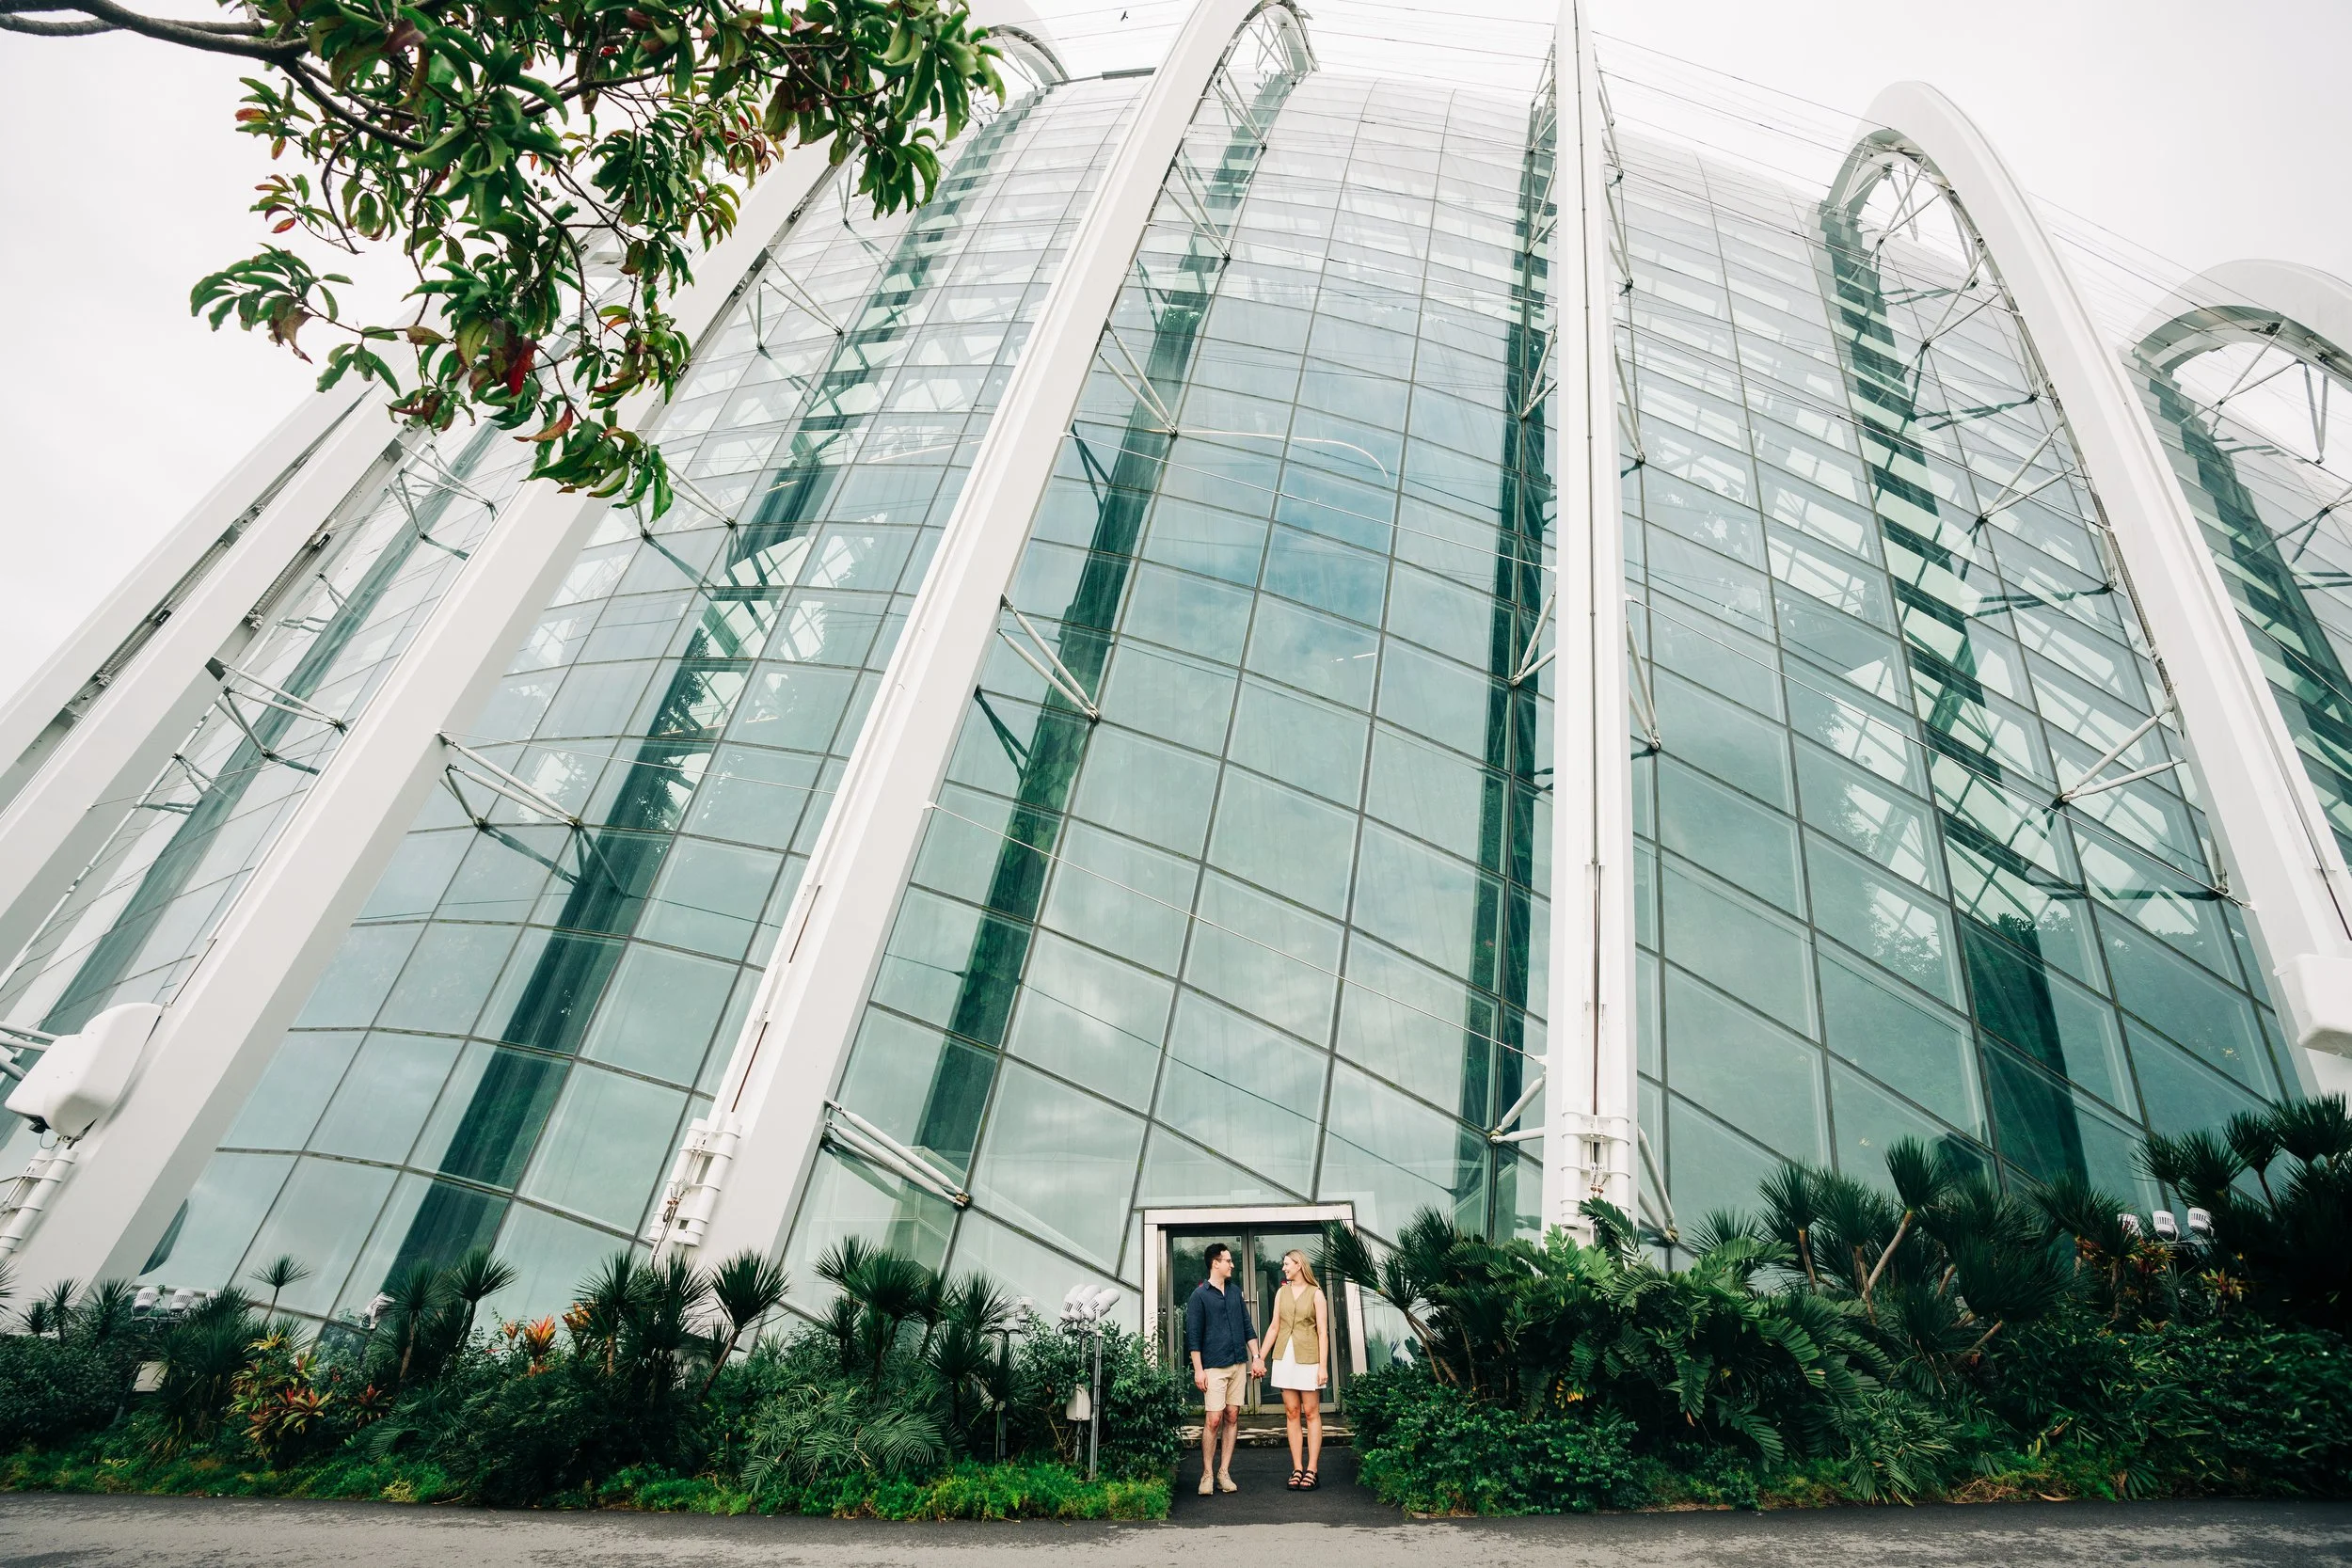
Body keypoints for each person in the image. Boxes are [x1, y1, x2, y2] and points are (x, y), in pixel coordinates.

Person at [1182, 1242, 1261, 1496]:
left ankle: (1223, 1472)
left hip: (1238, 1363)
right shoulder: (1200, 1295)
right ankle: (1206, 1473)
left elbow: (1247, 1327)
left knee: (1232, 1416)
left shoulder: (1236, 1292)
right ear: (1215, 1263)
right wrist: (1198, 1370)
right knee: (1213, 1419)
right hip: (1213, 1366)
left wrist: (1256, 1356)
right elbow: (1193, 1336)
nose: (1232, 1264)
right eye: (1228, 1260)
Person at [1253, 1247, 1329, 1491]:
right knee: (1292, 1412)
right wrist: (1259, 1358)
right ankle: (1297, 1468)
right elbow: (1274, 1327)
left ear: (1299, 1265)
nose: (1284, 1267)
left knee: (1311, 1413)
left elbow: (1322, 1333)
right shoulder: (1281, 1293)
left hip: (1309, 1359)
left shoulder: (1317, 1294)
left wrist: (1323, 1367)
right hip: (1284, 1357)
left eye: (1287, 1264)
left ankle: (1312, 1469)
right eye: (1284, 1264)